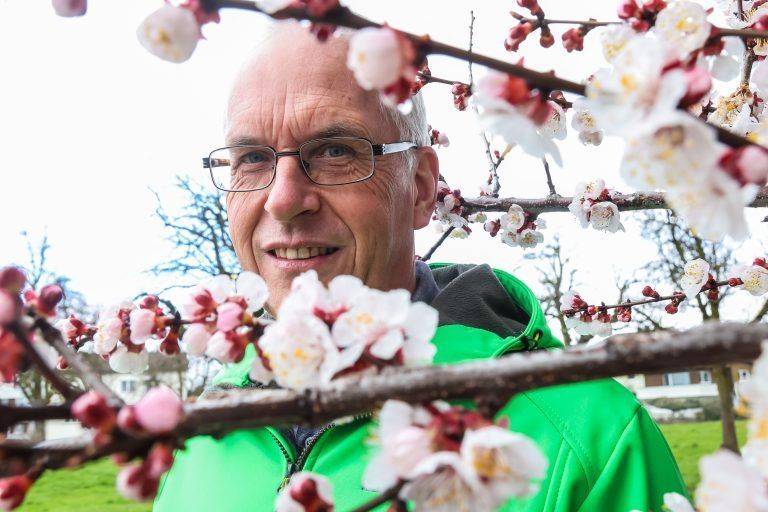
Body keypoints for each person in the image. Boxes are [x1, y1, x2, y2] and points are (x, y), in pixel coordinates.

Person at [154, 22, 687, 511]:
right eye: (251, 158)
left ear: (422, 187)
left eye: (336, 150)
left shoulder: (589, 440)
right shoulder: (202, 441)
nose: (283, 199)